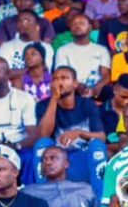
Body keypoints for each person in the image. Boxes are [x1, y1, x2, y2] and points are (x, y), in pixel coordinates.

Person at [32, 66, 106, 195]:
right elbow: (43, 135)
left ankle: (101, 203)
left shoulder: (87, 104)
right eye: (55, 79)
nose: (59, 82)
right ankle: (45, 198)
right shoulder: (43, 105)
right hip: (58, 158)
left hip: (84, 154)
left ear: (75, 84)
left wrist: (79, 133)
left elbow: (102, 137)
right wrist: (54, 98)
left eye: (64, 78)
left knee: (97, 145)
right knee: (41, 145)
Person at [54, 13, 111, 96]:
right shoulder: (62, 50)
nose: (77, 26)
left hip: (96, 91)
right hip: (72, 90)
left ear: (90, 28)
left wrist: (99, 86)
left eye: (81, 23)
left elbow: (105, 74)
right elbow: (61, 73)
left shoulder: (101, 50)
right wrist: (77, 86)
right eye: (74, 24)